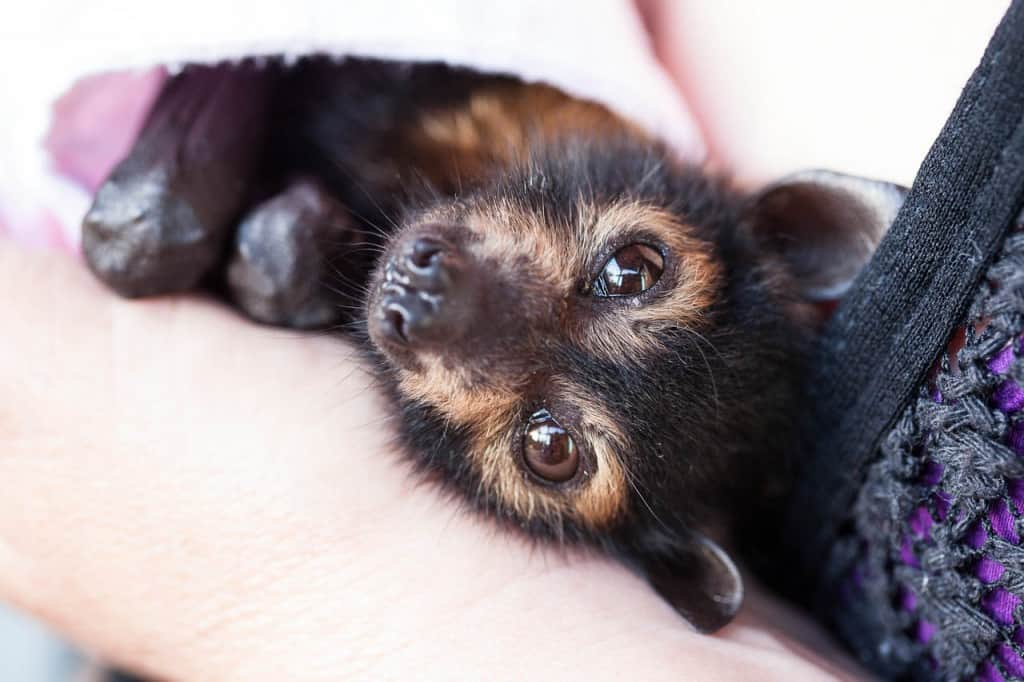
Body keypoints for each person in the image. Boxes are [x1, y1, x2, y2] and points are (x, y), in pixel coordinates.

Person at [0, 2, 1007, 679]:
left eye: (550, 447)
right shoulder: (505, 107)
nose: (467, 318)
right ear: (784, 224)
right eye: (627, 273)